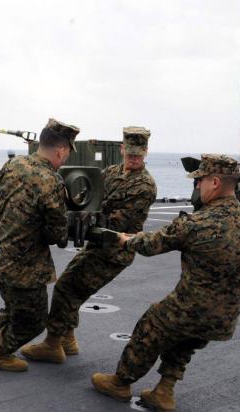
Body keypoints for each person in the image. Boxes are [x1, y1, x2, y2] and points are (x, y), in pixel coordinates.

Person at [91, 154, 240, 411]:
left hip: (192, 308)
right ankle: (164, 391)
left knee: (151, 324)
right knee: (184, 340)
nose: (197, 186)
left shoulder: (198, 222)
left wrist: (125, 240)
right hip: (224, 317)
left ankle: (120, 382)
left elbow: (150, 244)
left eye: (199, 181)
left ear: (214, 182)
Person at [20, 126, 157, 363]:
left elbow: (121, 221)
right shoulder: (111, 172)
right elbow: (89, 197)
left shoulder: (144, 185)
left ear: (145, 152)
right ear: (122, 148)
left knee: (67, 288)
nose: (133, 158)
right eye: (129, 152)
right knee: (71, 288)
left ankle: (53, 344)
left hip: (116, 250)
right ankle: (67, 340)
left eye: (138, 154)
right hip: (99, 244)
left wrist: (78, 220)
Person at [0, 118, 79, 372]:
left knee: (16, 301)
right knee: (34, 320)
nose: (64, 159)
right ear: (61, 150)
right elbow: (57, 234)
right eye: (66, 154)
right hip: (24, 266)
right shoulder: (51, 181)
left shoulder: (13, 164)